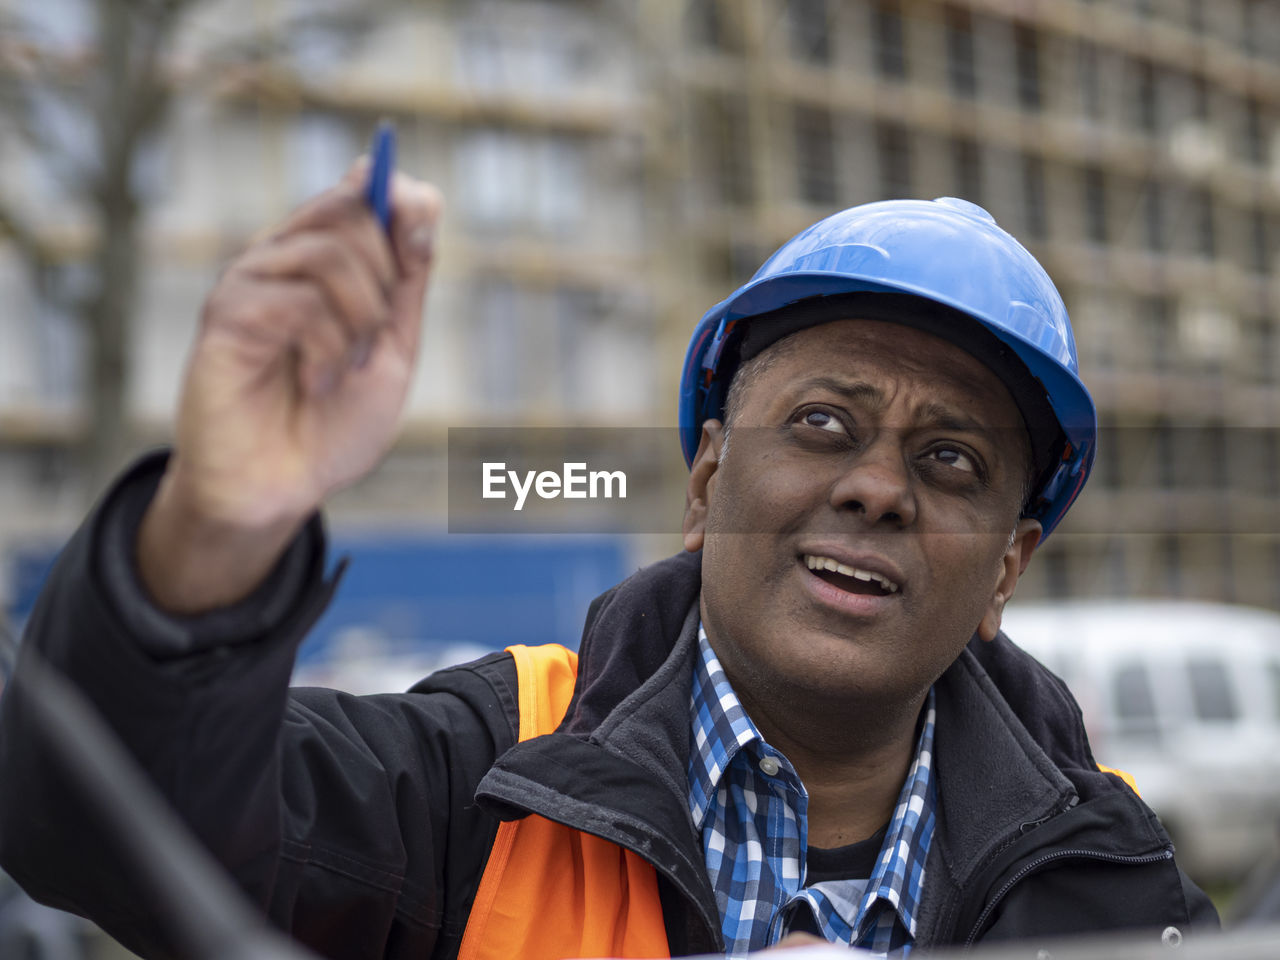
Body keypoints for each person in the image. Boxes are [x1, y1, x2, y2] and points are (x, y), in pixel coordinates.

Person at [0, 165, 1218, 960]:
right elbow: (87, 816)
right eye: (822, 425)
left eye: (949, 461)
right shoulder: (484, 778)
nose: (873, 487)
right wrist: (215, 521)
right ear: (703, 485)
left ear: (1005, 568)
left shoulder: (1114, 881)